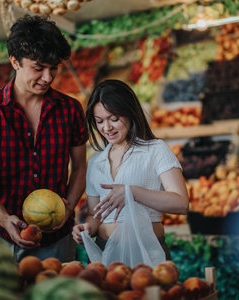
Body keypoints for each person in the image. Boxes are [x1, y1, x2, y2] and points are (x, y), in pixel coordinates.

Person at [0, 15, 87, 262]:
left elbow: (80, 167)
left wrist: (69, 206)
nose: (47, 77)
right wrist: (3, 218)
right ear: (15, 62)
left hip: (55, 238)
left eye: (54, 68)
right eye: (39, 68)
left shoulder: (71, 109)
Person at [72, 79, 189, 259]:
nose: (107, 127)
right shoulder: (96, 162)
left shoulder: (155, 149)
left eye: (114, 119)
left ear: (130, 113)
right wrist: (87, 228)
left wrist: (131, 192)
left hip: (146, 252)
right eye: (100, 121)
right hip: (105, 251)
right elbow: (95, 215)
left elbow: (181, 203)